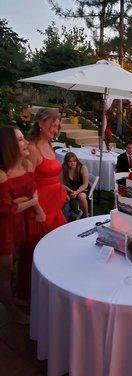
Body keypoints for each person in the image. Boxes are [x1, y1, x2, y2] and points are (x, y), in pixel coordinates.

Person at [0, 126, 45, 322]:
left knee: (15, 261)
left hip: (20, 222)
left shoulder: (27, 164)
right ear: (9, 145)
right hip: (4, 227)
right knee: (5, 271)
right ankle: (11, 312)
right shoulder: (2, 174)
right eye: (20, 140)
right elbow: (6, 209)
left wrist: (33, 207)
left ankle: (10, 298)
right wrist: (33, 202)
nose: (26, 142)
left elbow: (28, 192)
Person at [27, 108, 67, 233]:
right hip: (40, 207)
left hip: (54, 205)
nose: (55, 130)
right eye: (52, 125)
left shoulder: (49, 144)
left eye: (57, 127)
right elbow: (27, 184)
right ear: (40, 123)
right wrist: (39, 211)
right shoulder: (32, 149)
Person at [62, 152, 90, 218]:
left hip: (82, 188)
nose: (73, 163)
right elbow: (61, 184)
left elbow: (85, 184)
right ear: (66, 162)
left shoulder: (82, 167)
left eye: (74, 161)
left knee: (81, 196)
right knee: (64, 196)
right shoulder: (63, 168)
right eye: (70, 161)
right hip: (69, 188)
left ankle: (86, 215)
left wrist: (76, 192)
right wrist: (70, 191)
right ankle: (65, 214)